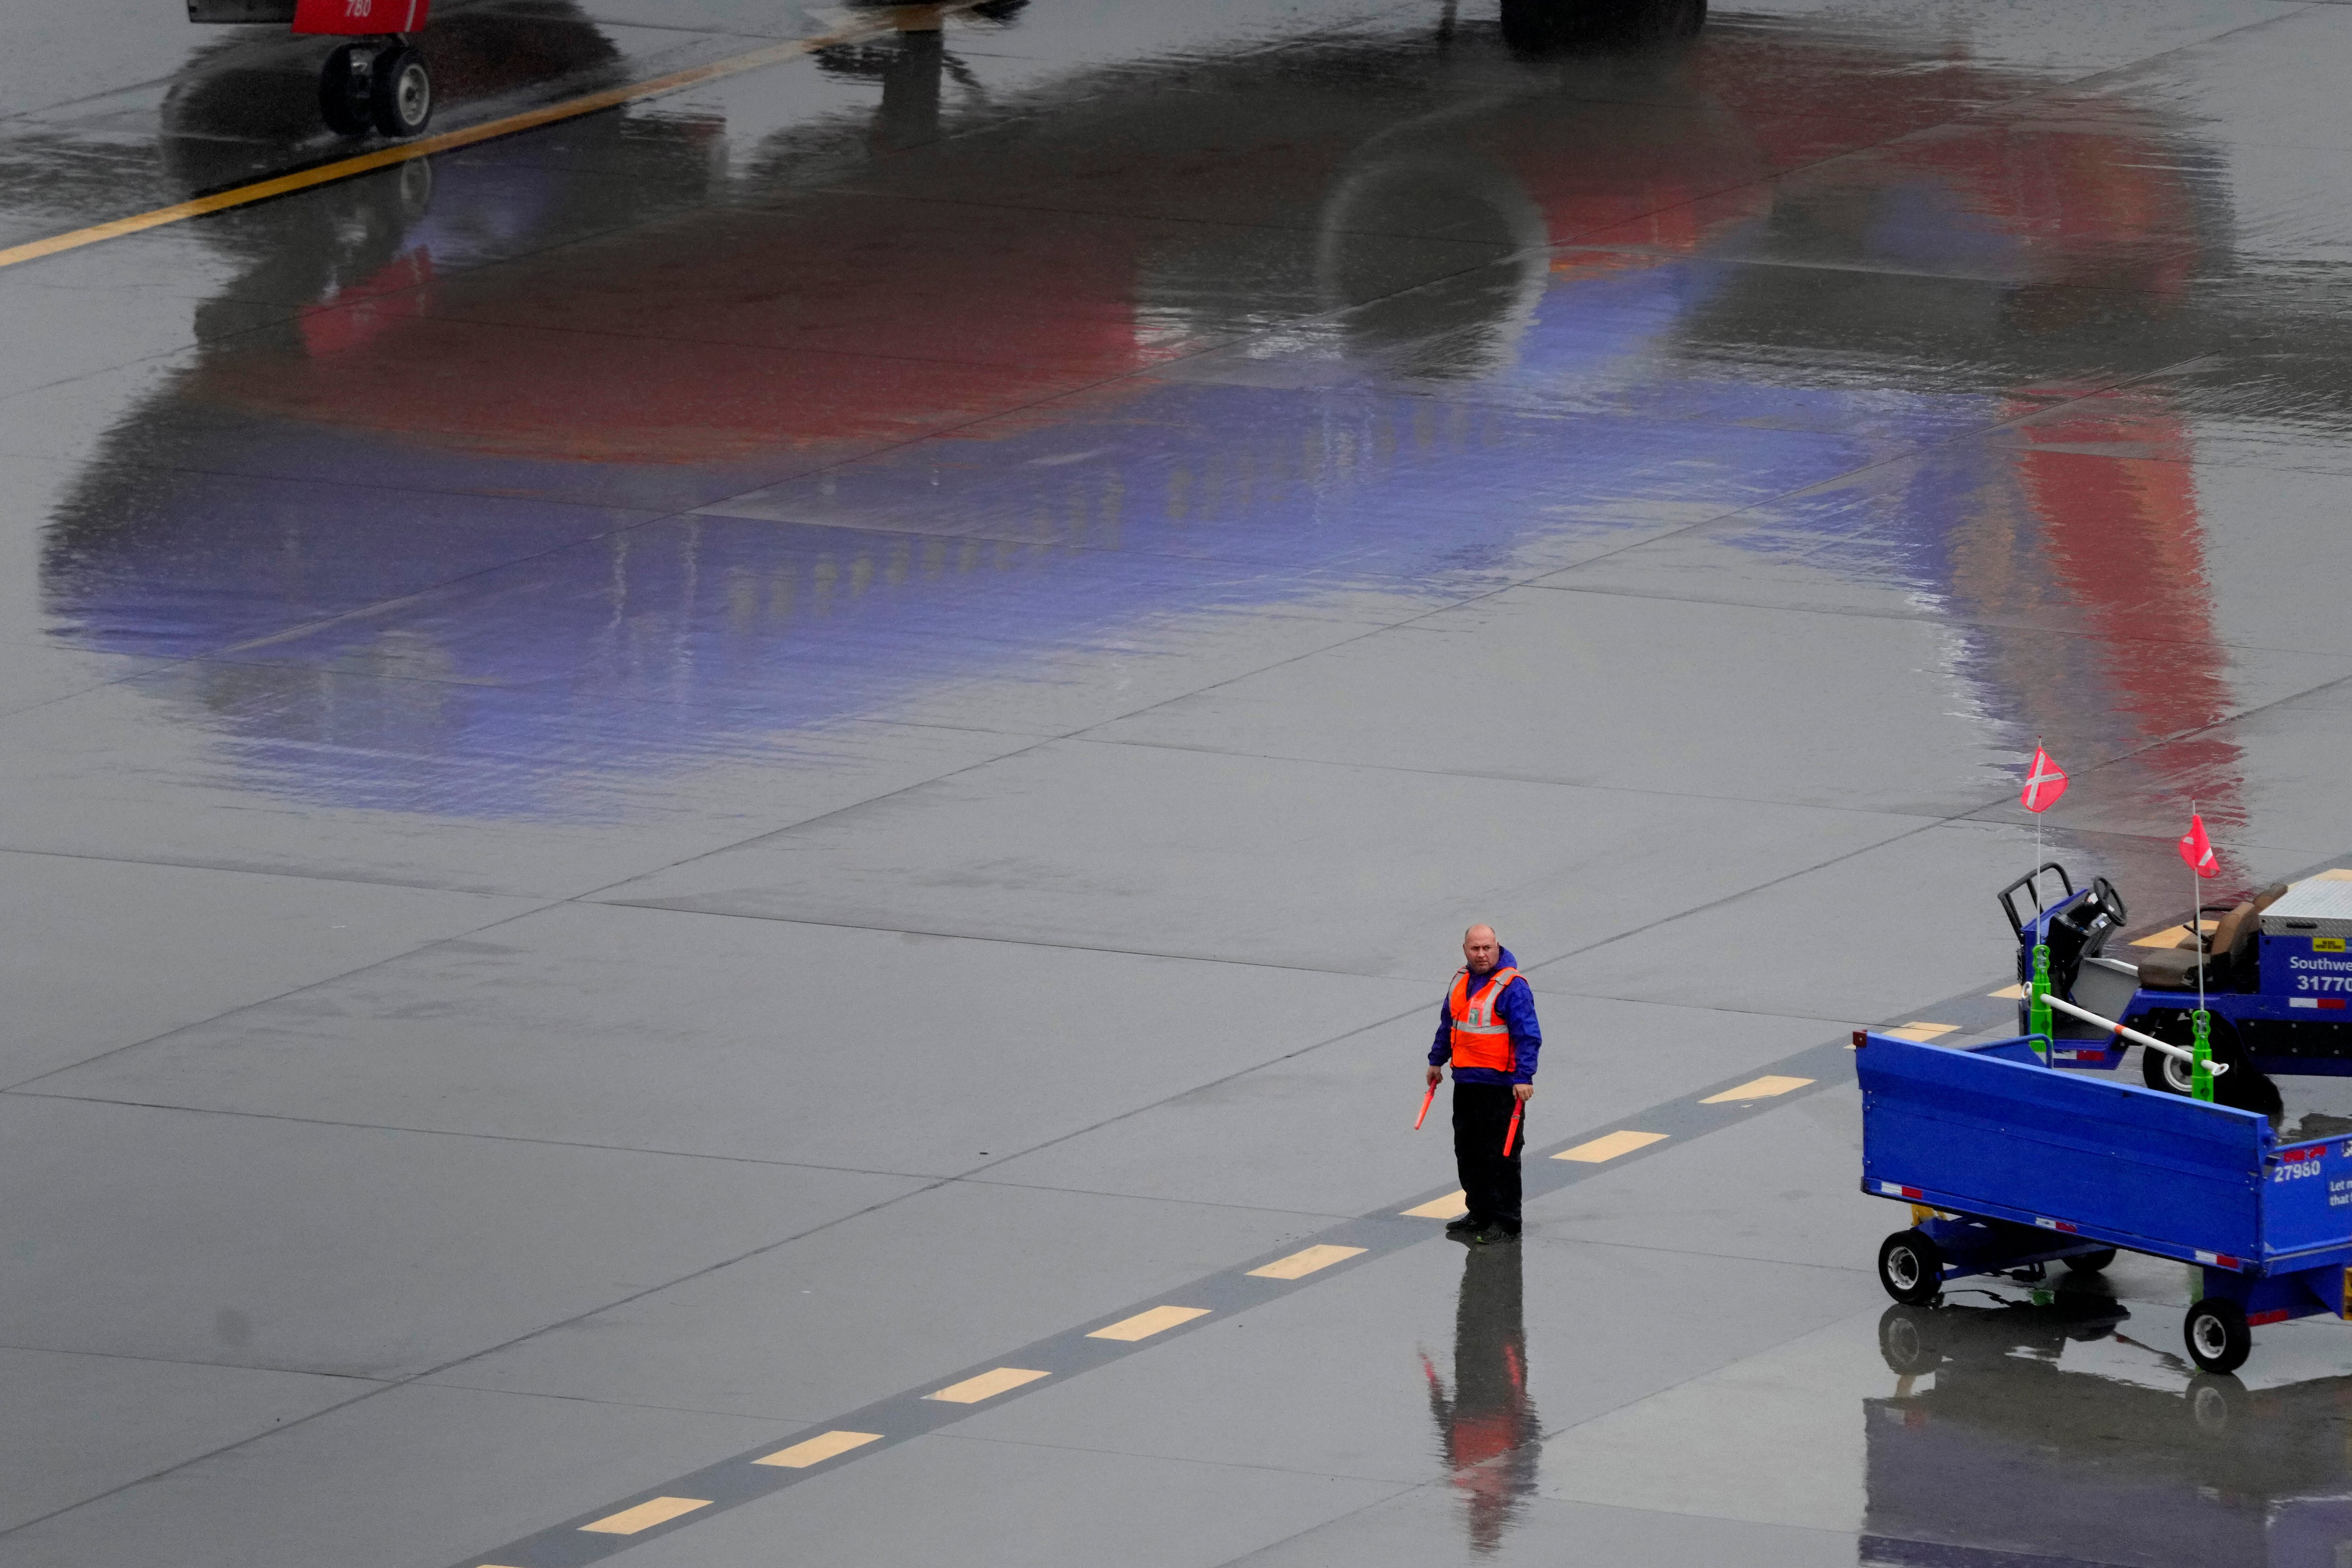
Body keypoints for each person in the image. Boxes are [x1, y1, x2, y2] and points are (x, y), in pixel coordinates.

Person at [1425, 923, 1540, 1244]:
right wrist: (1437, 1061)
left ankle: (1506, 1220)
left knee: (1501, 1155)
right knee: (1469, 1151)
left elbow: (1527, 1035)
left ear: (1497, 947)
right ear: (1465, 949)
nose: (1482, 954)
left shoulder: (1512, 987)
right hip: (1467, 1083)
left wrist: (1524, 1077)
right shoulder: (1461, 980)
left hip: (1501, 1088)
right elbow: (1449, 1024)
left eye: (1487, 947)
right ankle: (1479, 1212)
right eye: (1475, 948)